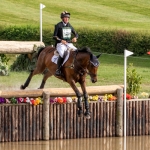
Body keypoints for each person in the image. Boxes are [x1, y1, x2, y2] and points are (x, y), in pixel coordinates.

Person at [53, 11, 78, 76]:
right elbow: (54, 36)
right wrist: (61, 40)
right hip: (60, 44)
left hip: (69, 43)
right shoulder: (58, 25)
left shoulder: (69, 25)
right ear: (62, 18)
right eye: (65, 17)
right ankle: (58, 69)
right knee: (63, 54)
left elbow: (76, 34)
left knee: (77, 52)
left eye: (68, 18)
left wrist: (75, 38)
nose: (67, 19)